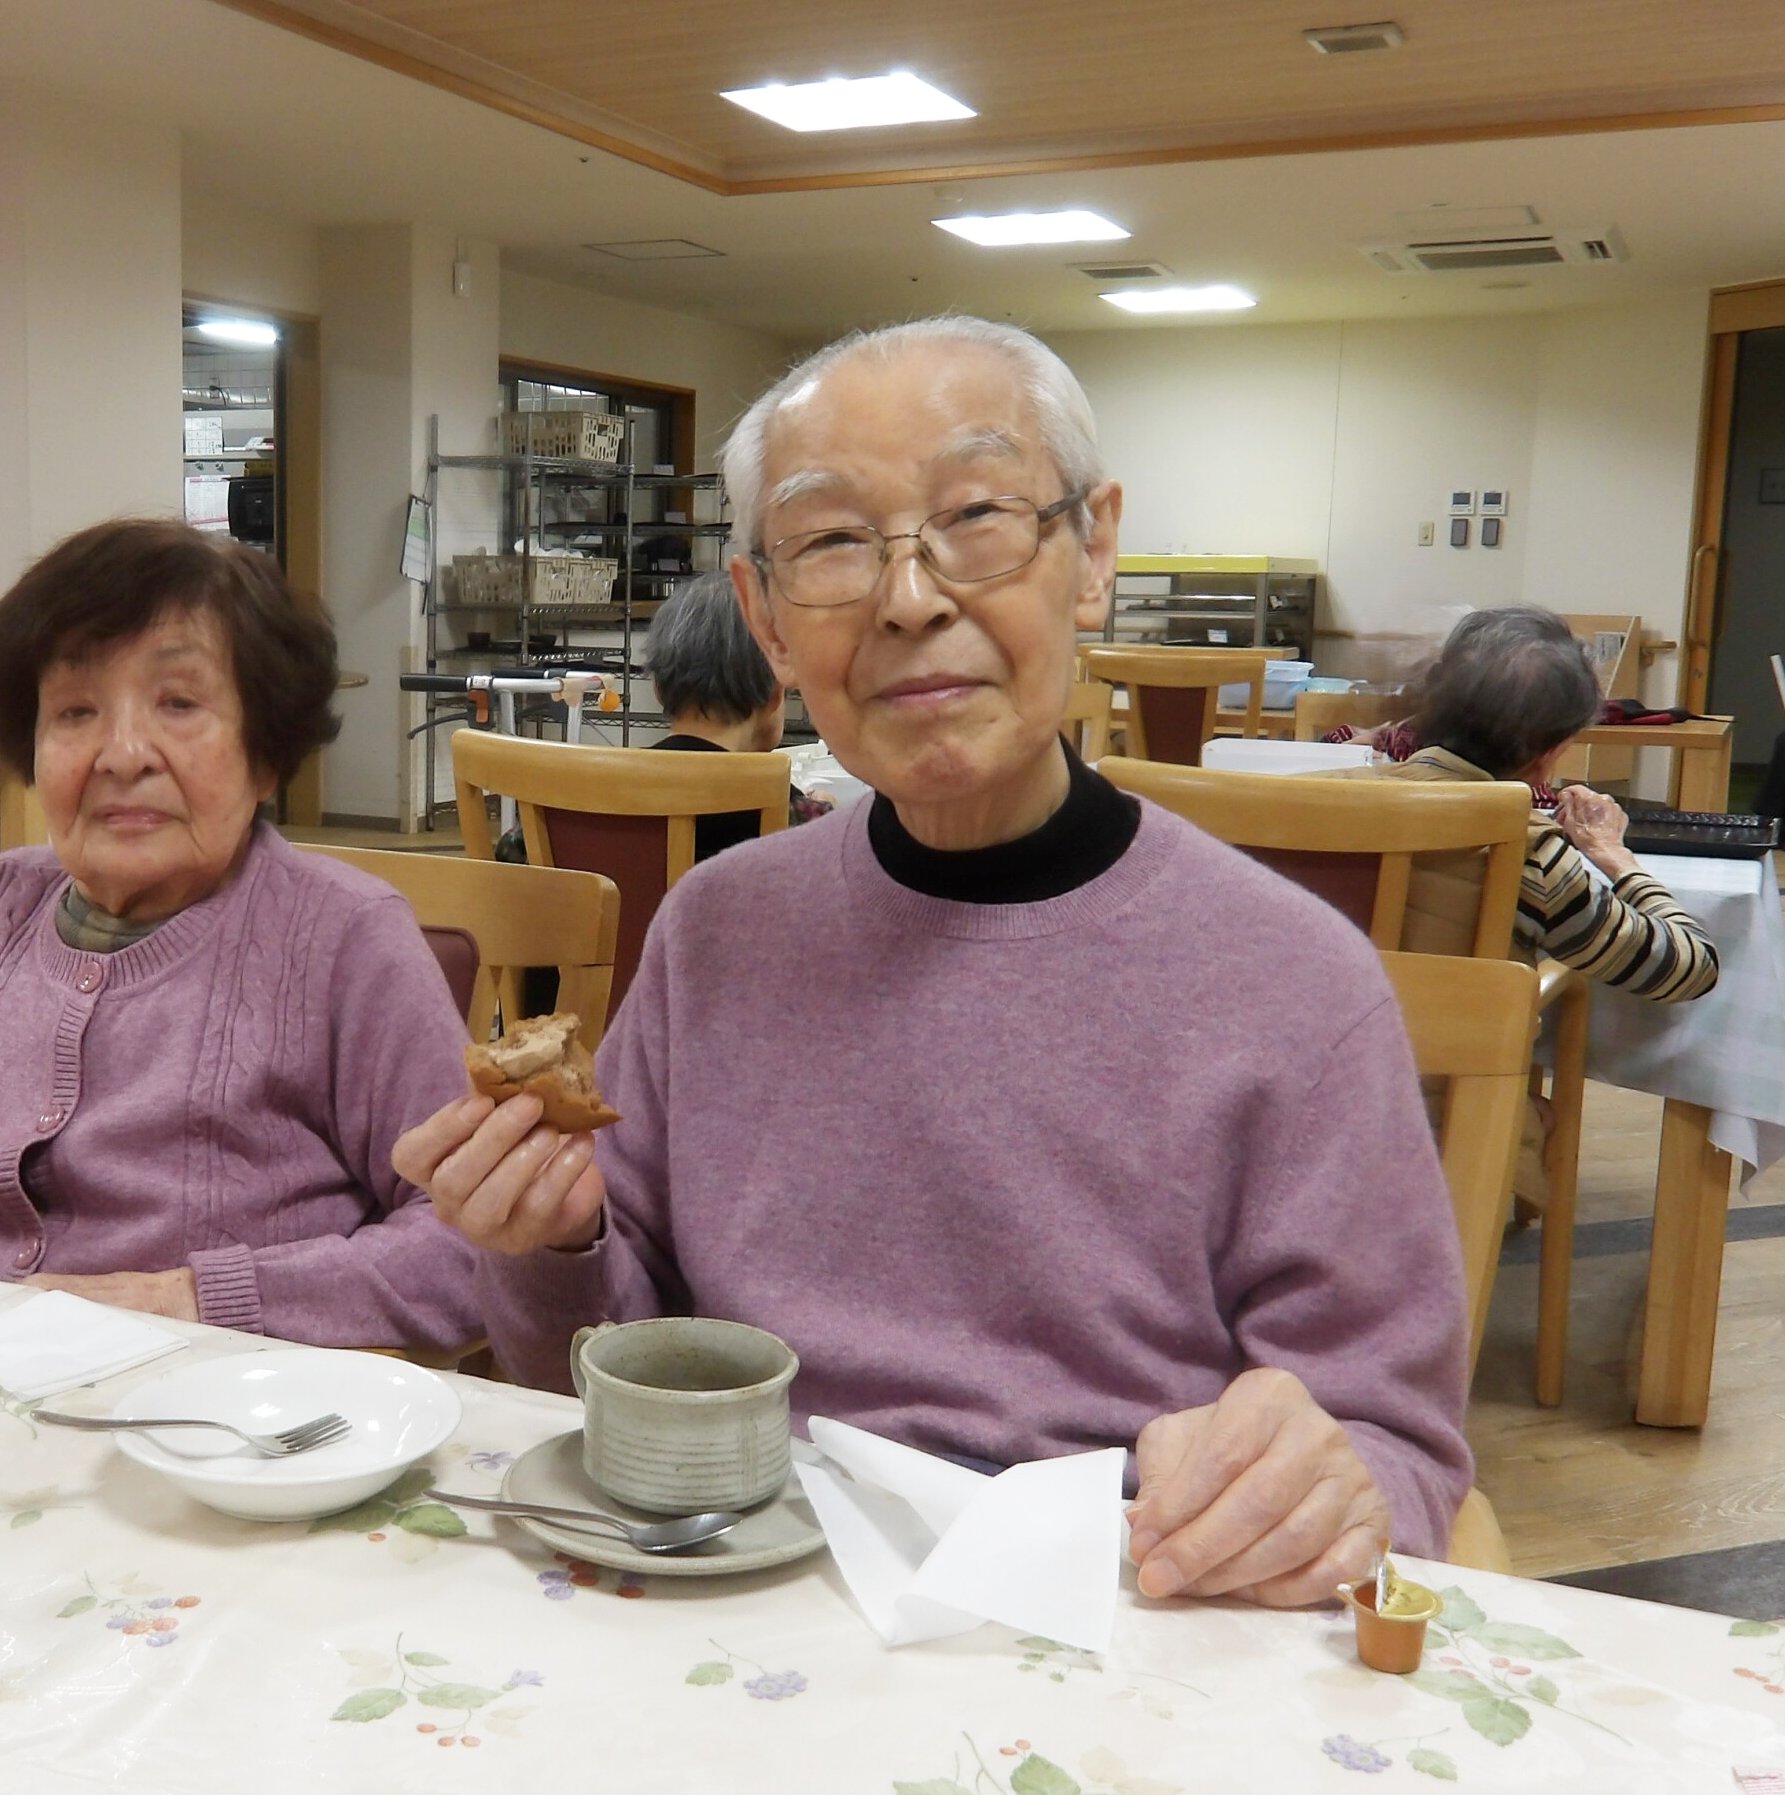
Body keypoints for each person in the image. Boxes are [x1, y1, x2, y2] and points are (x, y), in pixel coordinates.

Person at [396, 316, 1476, 1607]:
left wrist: (1319, 1480)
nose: (910, 597)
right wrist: (553, 1238)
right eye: (835, 542)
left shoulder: (1297, 983)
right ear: (769, 624)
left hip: (1127, 1617)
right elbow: (601, 1364)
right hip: (752, 1603)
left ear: (1094, 553)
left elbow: (1400, 1463)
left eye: (976, 513)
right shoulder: (717, 931)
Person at [0, 519, 481, 1356]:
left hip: (220, 1417)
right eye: (75, 711)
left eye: (179, 703)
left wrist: (188, 1299)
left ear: (267, 756)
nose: (121, 754)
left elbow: (466, 1245)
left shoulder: (345, 938)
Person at [1370, 607, 1718, 1002]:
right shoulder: (1529, 851)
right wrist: (1615, 855)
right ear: (1549, 753)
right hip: (1450, 1055)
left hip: (1315, 1051)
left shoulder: (1309, 800)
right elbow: (1691, 968)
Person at [640, 570, 837, 859]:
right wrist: (825, 818)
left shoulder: (595, 789)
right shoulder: (790, 812)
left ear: (657, 688)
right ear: (774, 695)